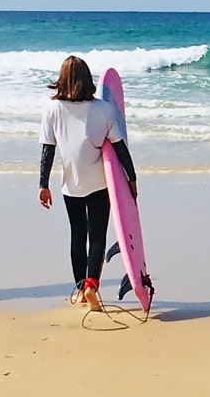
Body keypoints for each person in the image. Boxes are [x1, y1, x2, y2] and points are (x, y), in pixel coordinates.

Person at [37, 56, 138, 312]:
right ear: (86, 79)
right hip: (100, 183)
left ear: (63, 79)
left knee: (77, 235)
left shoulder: (52, 109)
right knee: (97, 238)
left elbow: (47, 150)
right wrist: (131, 179)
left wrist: (43, 184)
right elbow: (119, 147)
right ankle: (93, 285)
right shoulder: (103, 109)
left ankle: (81, 290)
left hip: (71, 184)